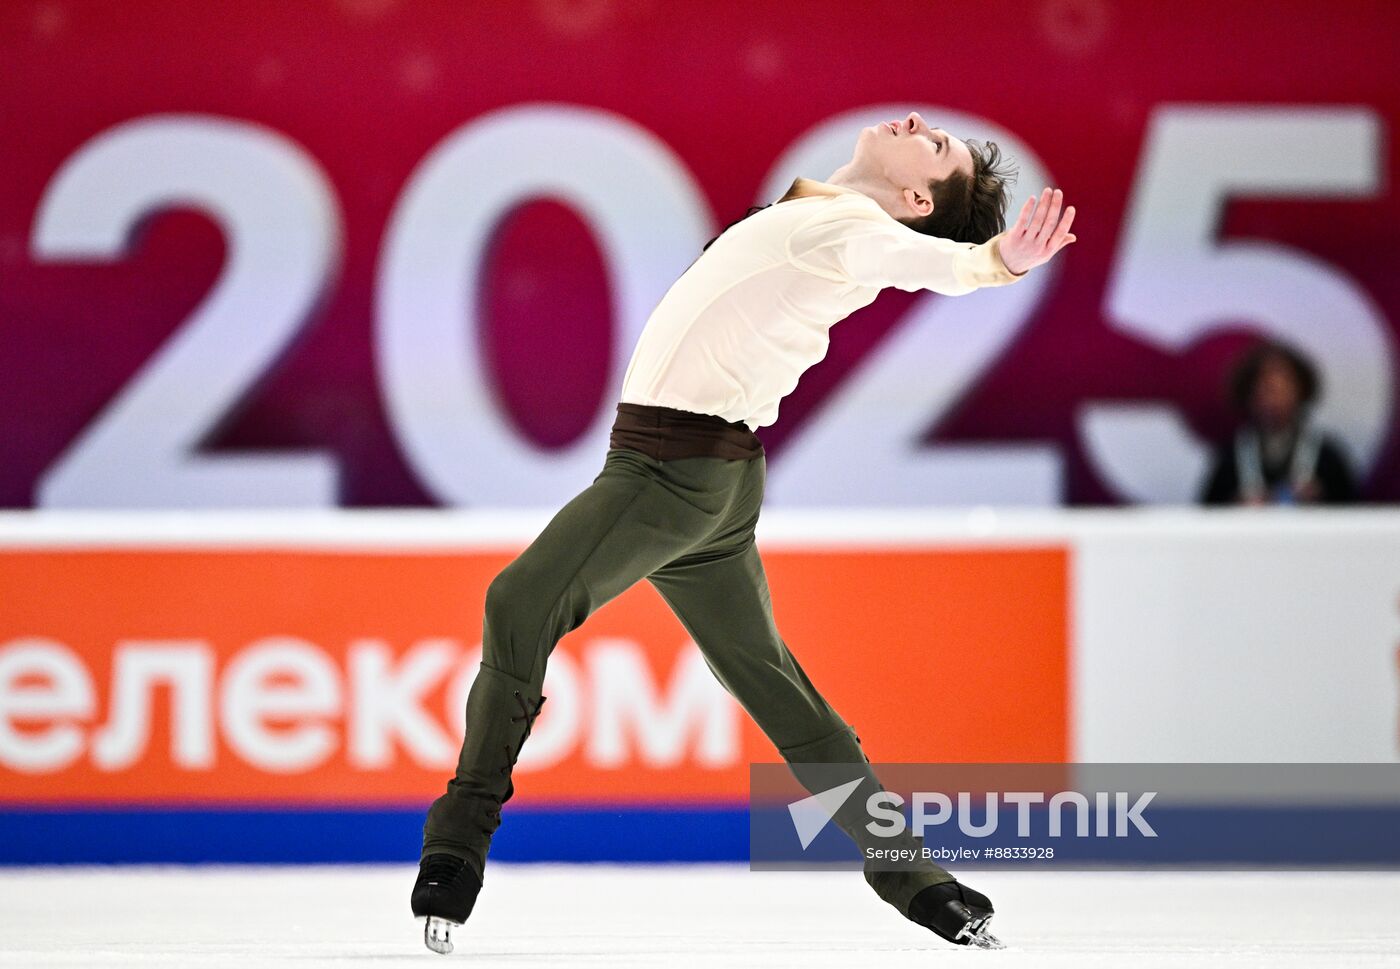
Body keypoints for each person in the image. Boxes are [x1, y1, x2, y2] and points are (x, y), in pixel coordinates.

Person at [410, 111, 1078, 953]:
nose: (917, 121)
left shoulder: (851, 228)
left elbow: (913, 259)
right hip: (715, 482)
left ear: (914, 196)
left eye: (935, 145)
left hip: (666, 470)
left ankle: (456, 844)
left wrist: (994, 262)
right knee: (774, 686)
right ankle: (917, 877)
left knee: (519, 601)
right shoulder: (817, 213)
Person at [1200, 341, 1358, 505]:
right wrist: (1235, 504)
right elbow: (1206, 515)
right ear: (1248, 394)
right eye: (1266, 388)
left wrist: (1321, 499)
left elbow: (1356, 514)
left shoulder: (1326, 456)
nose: (1274, 399)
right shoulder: (1231, 458)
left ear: (1301, 391)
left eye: (1283, 388)